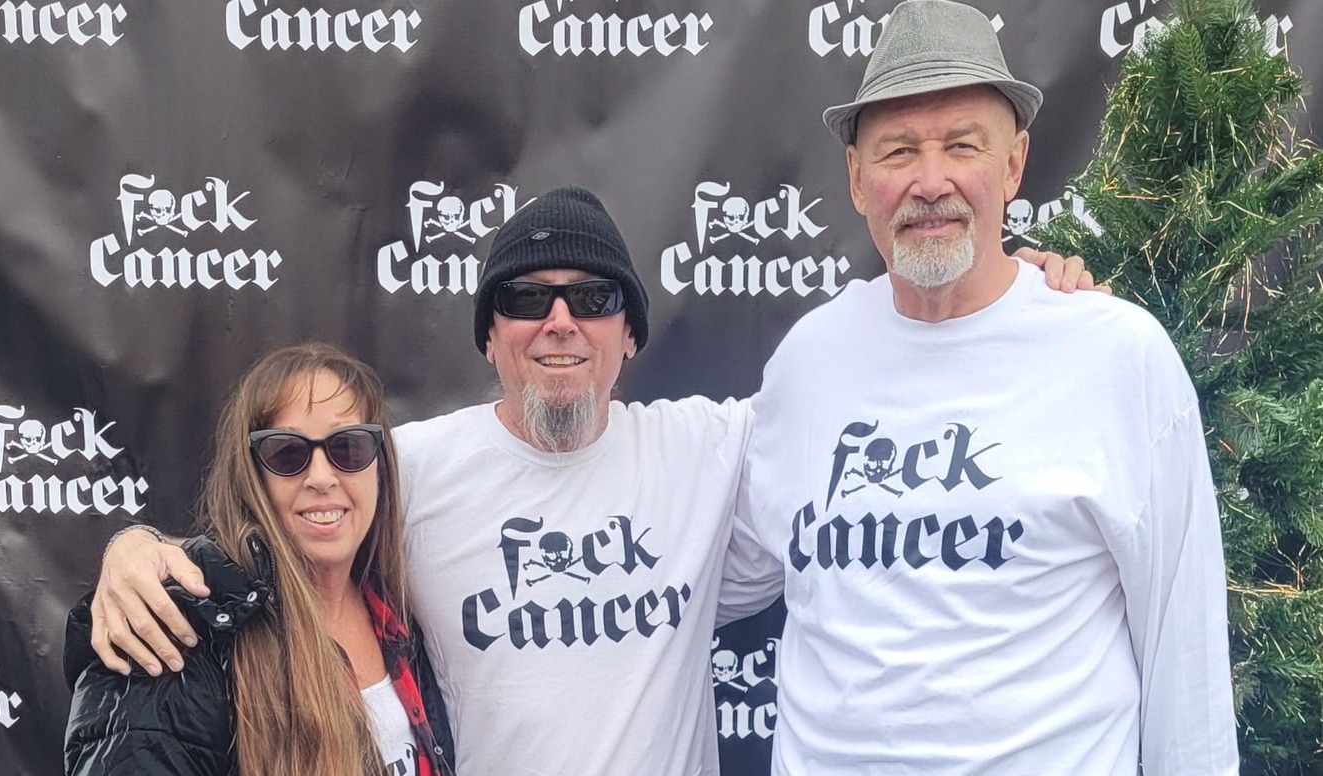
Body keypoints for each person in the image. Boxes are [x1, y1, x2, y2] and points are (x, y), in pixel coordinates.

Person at [84, 187, 1095, 775]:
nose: (559, 321)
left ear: (629, 336)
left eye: (593, 297)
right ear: (491, 336)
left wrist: (1016, 298)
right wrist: (133, 552)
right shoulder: (401, 467)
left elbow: (896, 401)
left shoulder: (712, 447)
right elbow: (272, 533)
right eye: (526, 299)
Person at [722, 1, 1239, 773]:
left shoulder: (1116, 357)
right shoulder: (807, 360)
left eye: (962, 145)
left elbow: (1184, 656)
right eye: (899, 151)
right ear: (858, 178)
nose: (931, 182)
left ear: (1014, 164)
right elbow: (707, 572)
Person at [63, 343, 454, 776]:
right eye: (287, 453)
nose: (322, 477)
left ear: (381, 466)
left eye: (348, 447)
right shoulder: (174, 632)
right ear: (251, 475)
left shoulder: (408, 612)